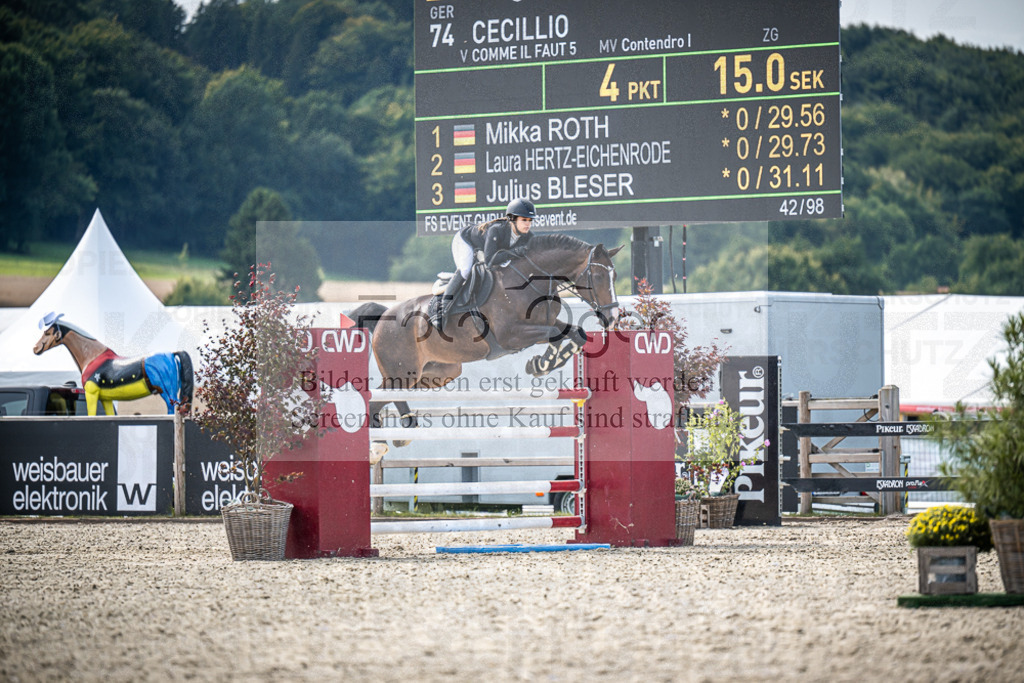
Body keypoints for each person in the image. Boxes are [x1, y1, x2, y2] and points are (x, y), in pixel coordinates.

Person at [435, 198, 536, 328]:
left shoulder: (528, 236)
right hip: (465, 242)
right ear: (512, 219)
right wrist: (515, 252)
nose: (528, 224)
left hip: (485, 249)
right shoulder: (497, 229)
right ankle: (442, 309)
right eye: (524, 220)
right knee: (465, 270)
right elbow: (490, 261)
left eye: (530, 220)